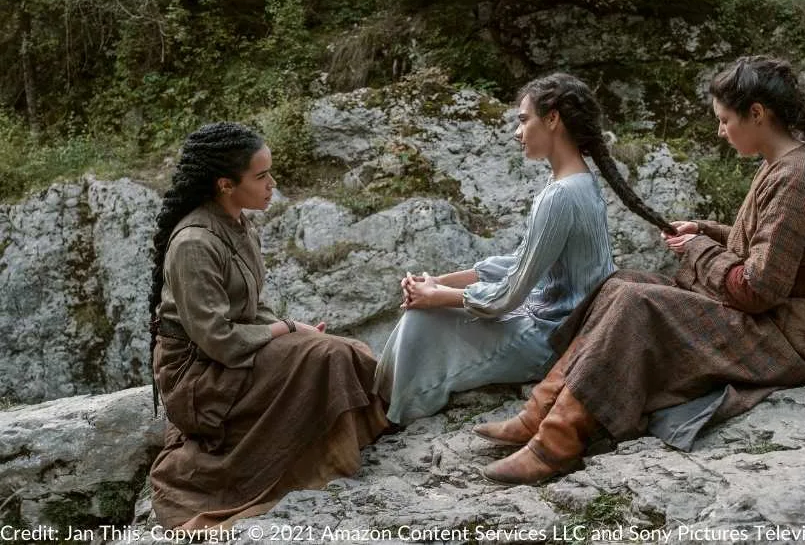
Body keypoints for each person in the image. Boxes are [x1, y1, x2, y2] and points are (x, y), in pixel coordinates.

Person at [478, 56, 805, 485]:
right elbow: (770, 245)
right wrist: (707, 231)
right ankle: (541, 411)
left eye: (725, 119)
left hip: (793, 334)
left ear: (757, 113)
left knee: (638, 303)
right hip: (776, 316)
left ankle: (556, 443)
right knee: (621, 284)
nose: (720, 131)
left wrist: (696, 248)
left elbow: (759, 288)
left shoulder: (797, 177)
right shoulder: (783, 166)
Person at [373, 72, 675, 426]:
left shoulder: (563, 194)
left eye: (523, 120)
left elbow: (507, 298)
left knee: (424, 319)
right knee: (427, 312)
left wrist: (437, 296)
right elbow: (521, 262)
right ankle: (387, 402)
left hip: (550, 339)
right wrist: (439, 282)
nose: (517, 132)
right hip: (551, 322)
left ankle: (390, 414)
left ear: (552, 119)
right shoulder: (575, 182)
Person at [147, 122, 387, 529]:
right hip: (202, 376)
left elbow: (250, 308)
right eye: (261, 176)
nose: (271, 184)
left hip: (235, 352)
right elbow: (218, 339)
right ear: (225, 184)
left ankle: (359, 429)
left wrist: (294, 328)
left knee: (347, 349)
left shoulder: (239, 223)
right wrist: (286, 330)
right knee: (325, 355)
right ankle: (319, 456)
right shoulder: (193, 243)